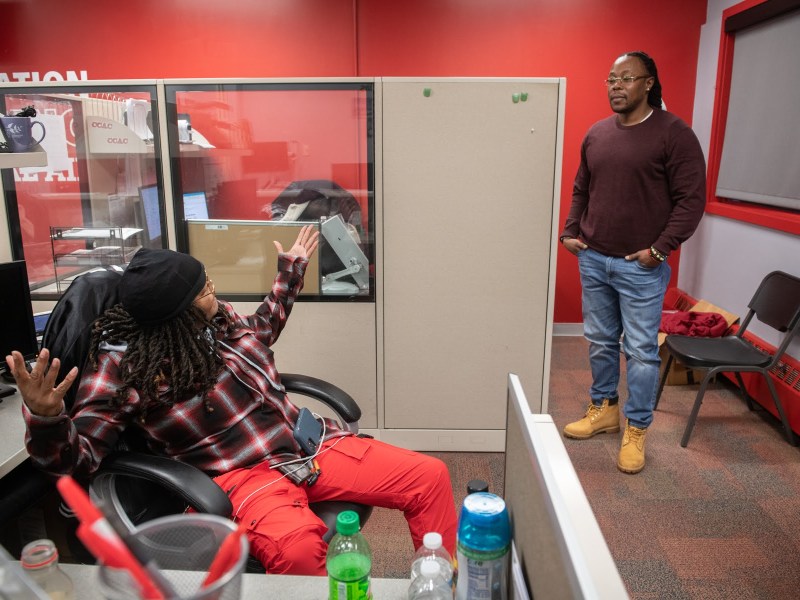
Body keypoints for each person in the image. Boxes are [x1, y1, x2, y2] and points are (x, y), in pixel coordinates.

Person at [6, 226, 458, 574]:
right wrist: (47, 417)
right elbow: (78, 462)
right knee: (299, 551)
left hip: (308, 445)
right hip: (243, 476)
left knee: (429, 476)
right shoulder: (123, 369)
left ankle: (444, 584)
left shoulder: (215, 320)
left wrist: (291, 272)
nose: (214, 290)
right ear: (174, 316)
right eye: (202, 290)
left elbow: (261, 332)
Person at [558, 51, 706, 474]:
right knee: (601, 341)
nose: (616, 86)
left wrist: (658, 250)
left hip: (641, 266)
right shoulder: (598, 134)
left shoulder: (674, 134)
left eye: (626, 78)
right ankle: (603, 410)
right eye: (610, 79)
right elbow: (581, 187)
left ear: (648, 83)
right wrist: (570, 230)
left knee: (640, 351)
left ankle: (637, 428)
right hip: (594, 258)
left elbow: (690, 201)